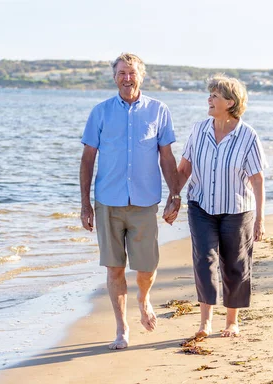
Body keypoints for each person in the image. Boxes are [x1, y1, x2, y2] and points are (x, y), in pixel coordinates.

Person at [80, 53, 181, 350]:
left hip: (144, 202)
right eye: (122, 73)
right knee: (114, 268)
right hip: (108, 203)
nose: (127, 78)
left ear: (141, 76)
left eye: (132, 72)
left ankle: (144, 297)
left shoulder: (159, 110)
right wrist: (85, 205)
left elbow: (167, 157)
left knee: (147, 268)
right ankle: (122, 328)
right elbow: (87, 160)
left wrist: (175, 195)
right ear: (114, 77)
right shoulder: (100, 112)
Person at [167, 74, 267, 338]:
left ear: (231, 102)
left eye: (215, 96)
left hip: (238, 210)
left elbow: (257, 179)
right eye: (210, 95)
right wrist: (173, 197)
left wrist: (260, 218)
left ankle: (232, 321)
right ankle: (205, 322)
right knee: (204, 261)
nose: (209, 99)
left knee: (235, 264)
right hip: (201, 207)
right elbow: (185, 167)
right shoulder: (199, 129)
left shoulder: (248, 136)